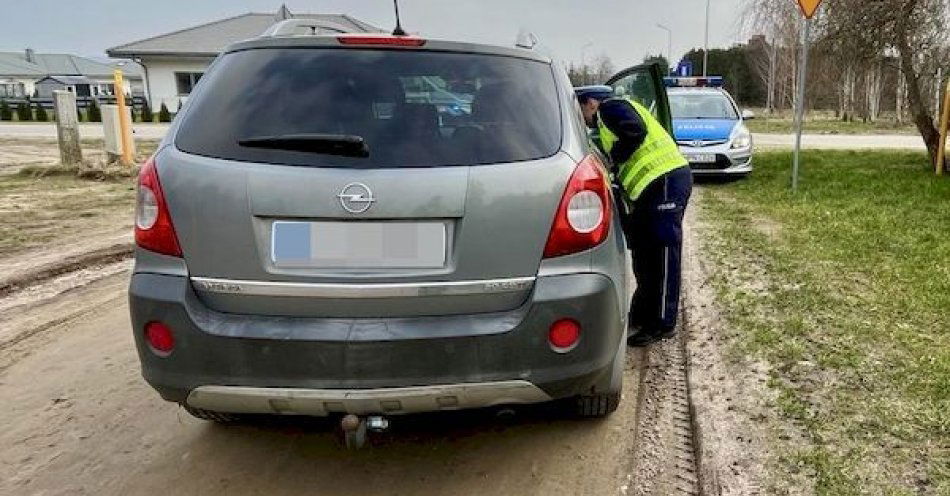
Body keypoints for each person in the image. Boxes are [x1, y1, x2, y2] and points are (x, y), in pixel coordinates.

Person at [575, 86, 693, 347]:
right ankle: (641, 313)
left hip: (666, 181)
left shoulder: (611, 107)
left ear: (591, 103)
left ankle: (663, 323)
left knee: (663, 254)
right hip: (650, 191)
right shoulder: (604, 125)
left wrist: (612, 160)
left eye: (581, 108)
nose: (582, 117)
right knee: (643, 253)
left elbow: (635, 131)